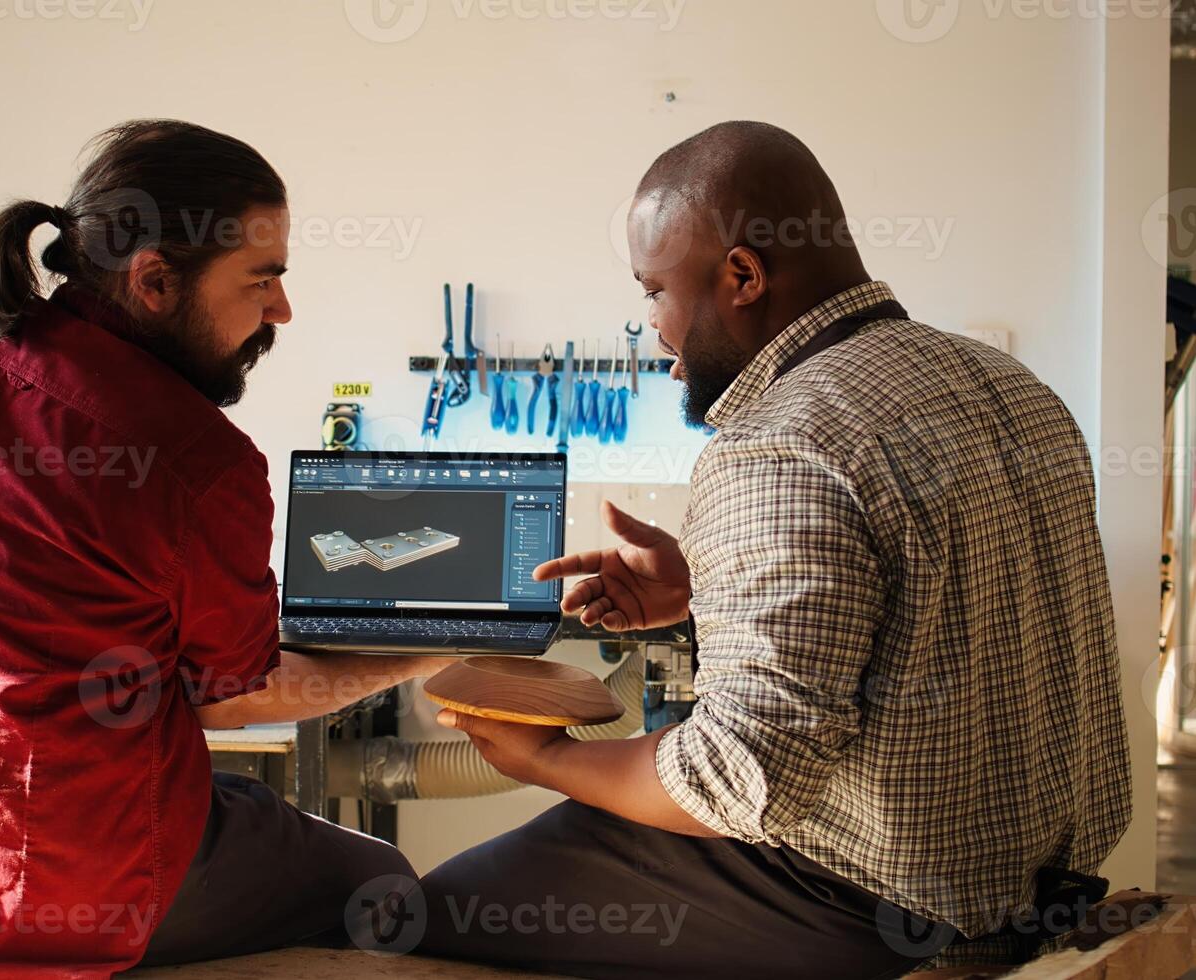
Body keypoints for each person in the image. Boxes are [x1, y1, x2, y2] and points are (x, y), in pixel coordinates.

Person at [409, 121, 1132, 978]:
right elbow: (949, 612)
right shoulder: (1011, 388)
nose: (655, 332)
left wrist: (551, 759)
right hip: (1038, 885)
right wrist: (706, 588)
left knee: (418, 920)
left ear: (742, 275)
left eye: (653, 294)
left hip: (869, 903)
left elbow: (738, 777)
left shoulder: (777, 442)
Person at [0, 119, 445, 978]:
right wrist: (432, 650)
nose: (281, 309)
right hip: (64, 898)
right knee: (379, 877)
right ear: (155, 280)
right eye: (263, 280)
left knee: (228, 804)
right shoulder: (195, 458)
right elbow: (234, 698)